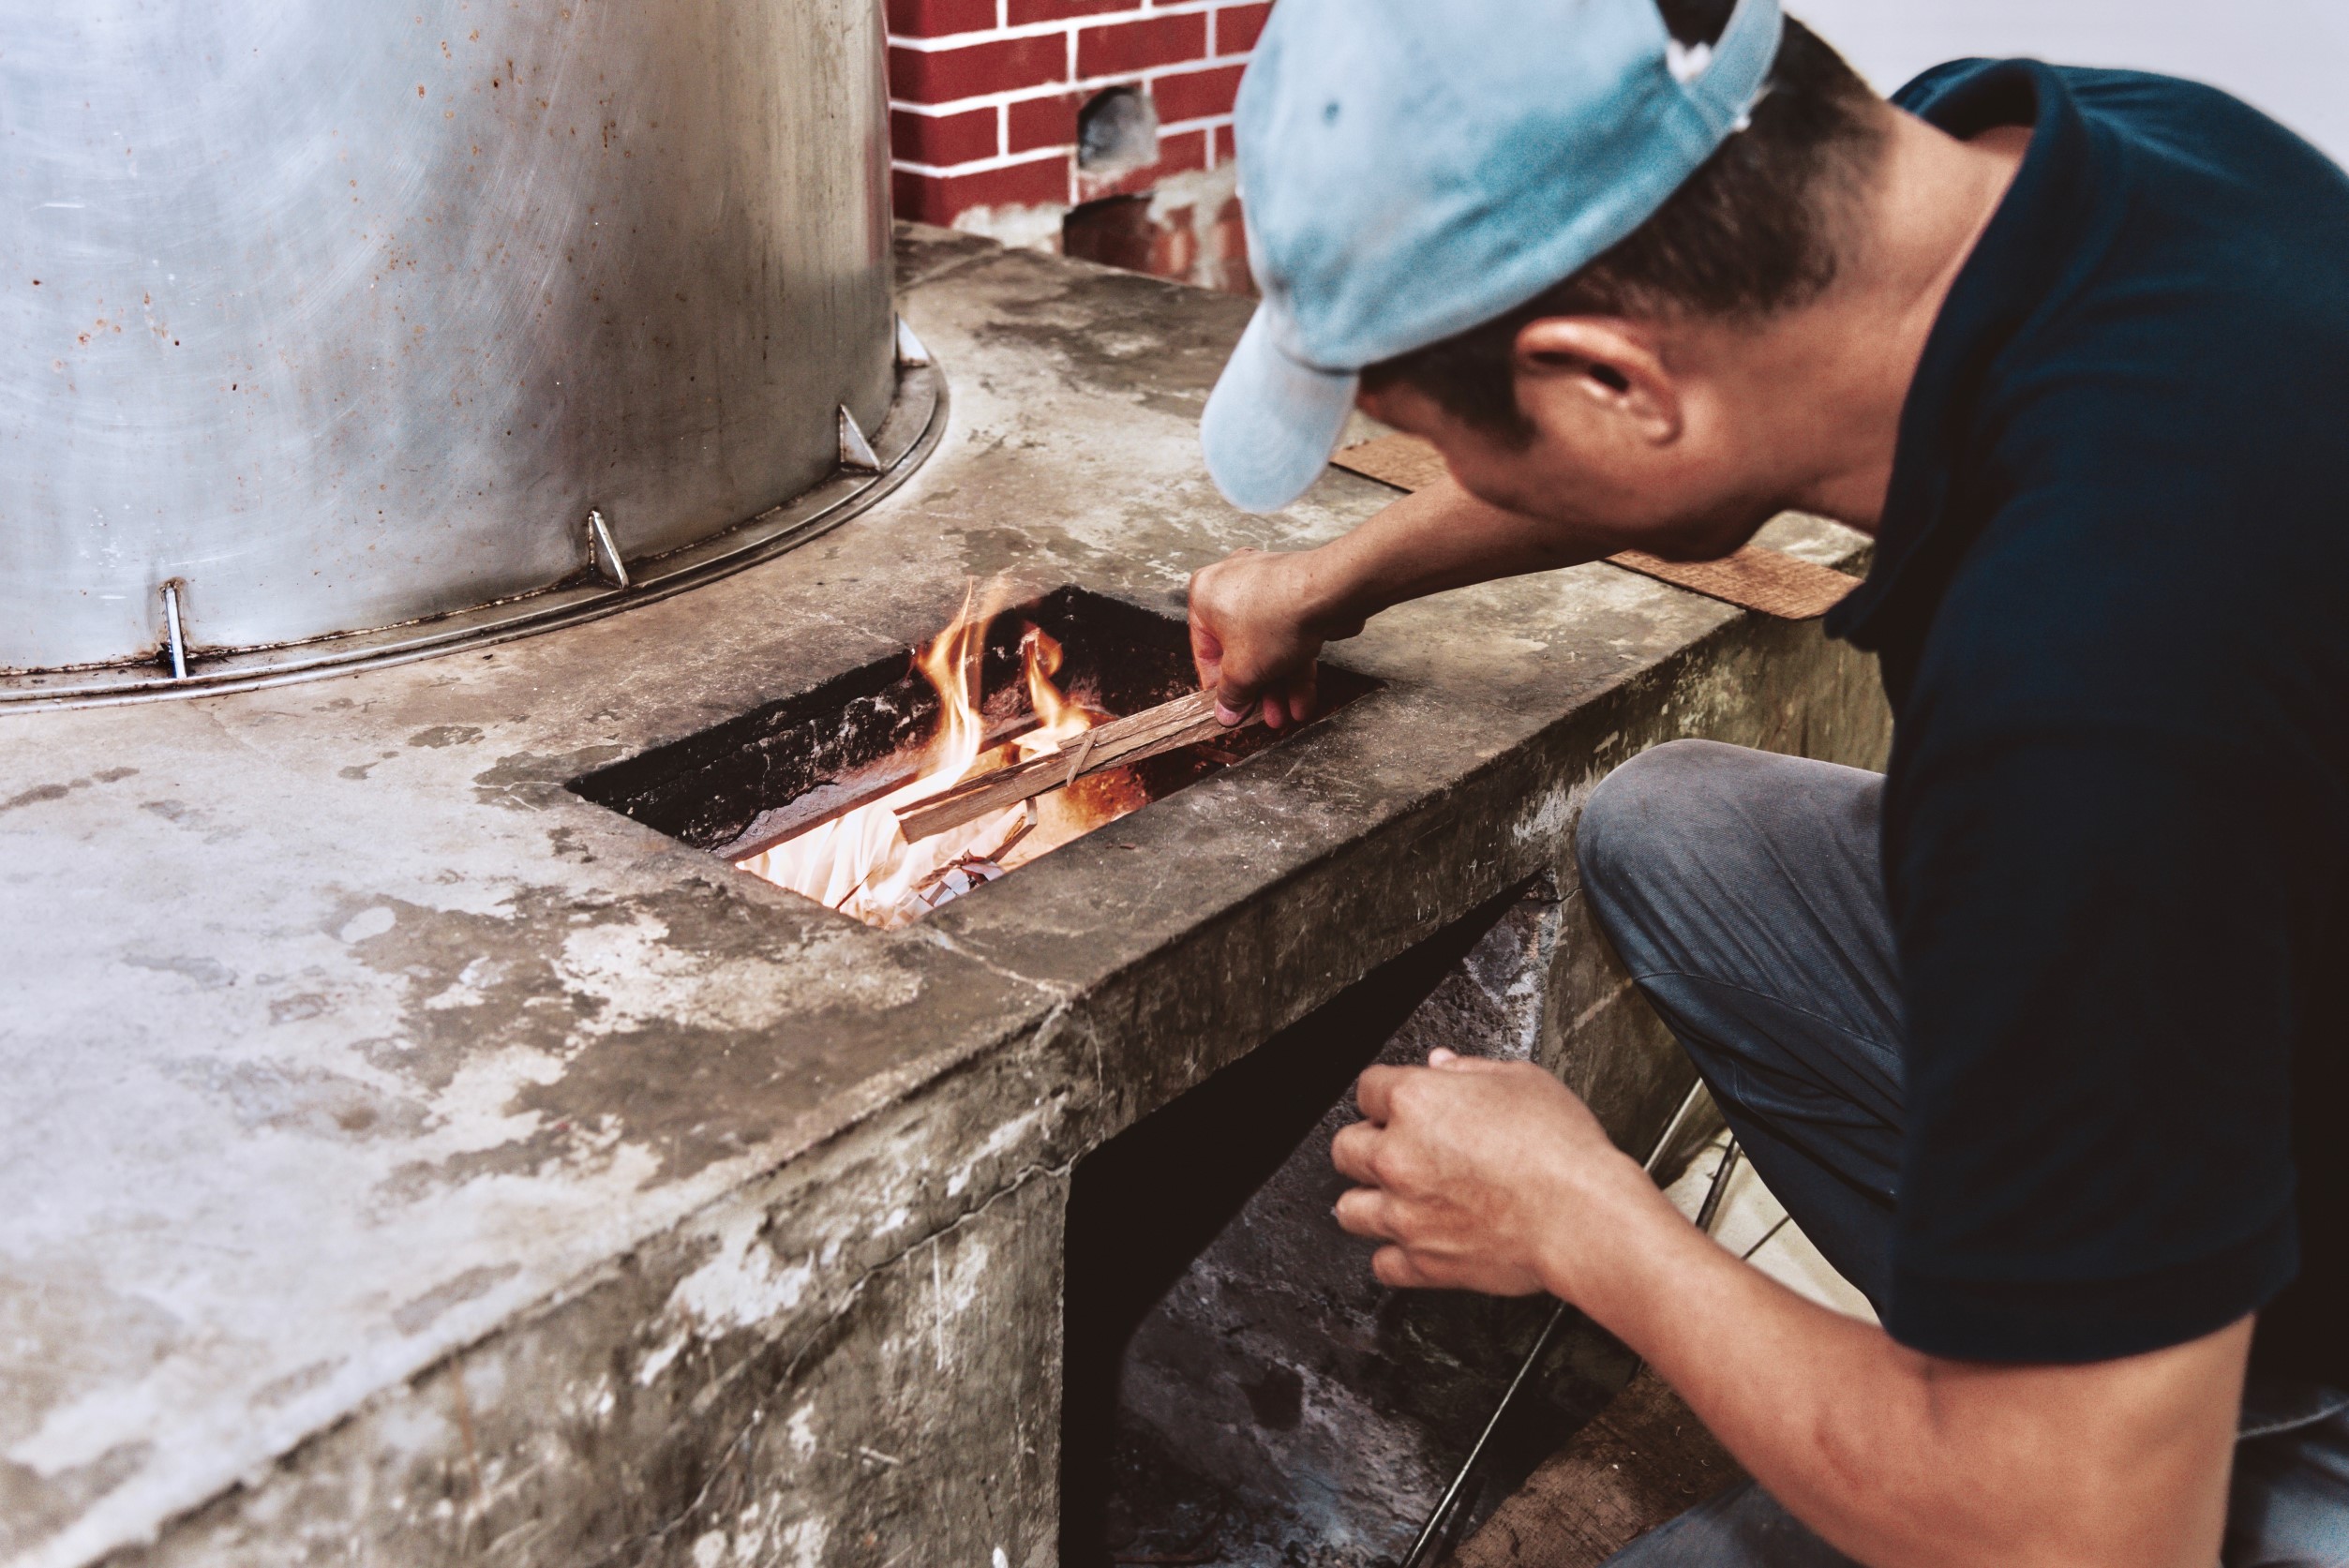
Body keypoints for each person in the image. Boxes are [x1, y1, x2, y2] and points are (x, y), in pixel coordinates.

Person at [1182, 0, 2349, 1561]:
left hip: (2196, 1424)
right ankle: (2070, 1343)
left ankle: (2147, 1411)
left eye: (1449, 437)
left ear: (1608, 385)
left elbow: (2091, 1542)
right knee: (1674, 831)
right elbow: (1694, 416)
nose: (1472, 476)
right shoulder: (2035, 164)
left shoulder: (2079, 704)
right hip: (2269, 992)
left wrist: (1584, 1220)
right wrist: (1332, 578)